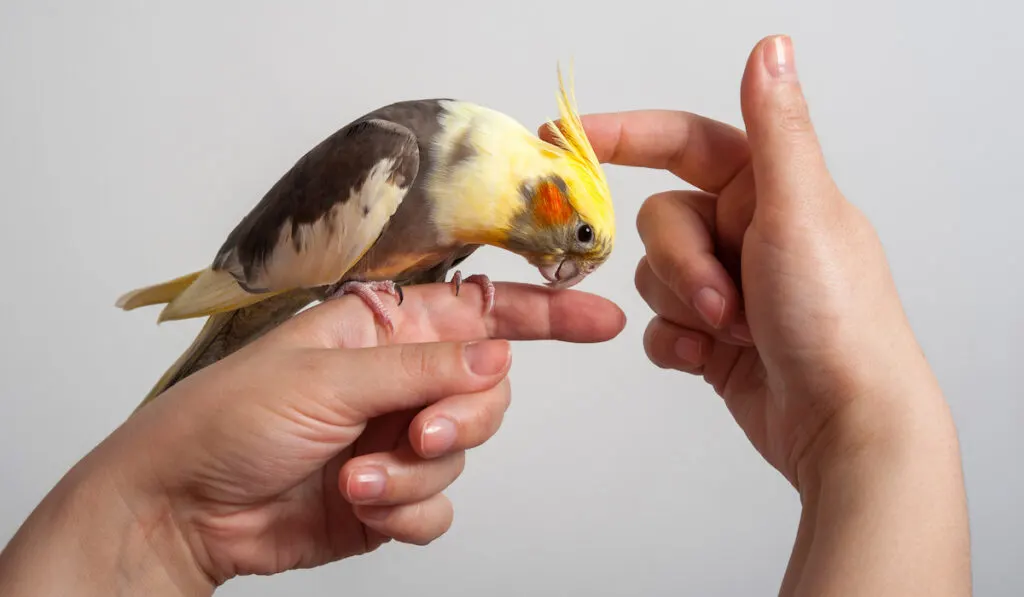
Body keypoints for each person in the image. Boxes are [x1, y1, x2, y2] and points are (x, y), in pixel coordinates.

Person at [0, 35, 970, 596]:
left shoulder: (477, 208)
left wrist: (860, 434)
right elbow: (306, 273)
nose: (560, 266)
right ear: (554, 194)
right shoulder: (406, 155)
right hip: (276, 282)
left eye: (574, 257)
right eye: (575, 240)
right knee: (197, 384)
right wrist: (868, 437)